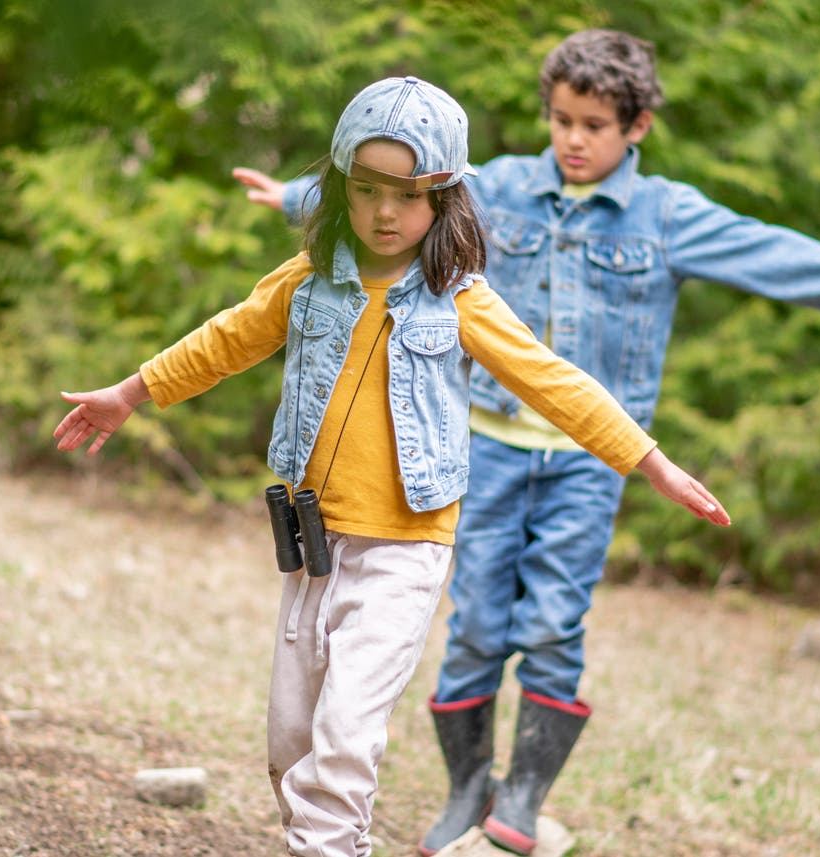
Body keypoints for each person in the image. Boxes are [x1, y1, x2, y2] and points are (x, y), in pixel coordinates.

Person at [233, 30, 820, 857]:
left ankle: (525, 791)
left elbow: (769, 250)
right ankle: (465, 789)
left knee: (551, 620)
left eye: (593, 125)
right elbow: (396, 185)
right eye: (561, 120)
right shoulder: (504, 187)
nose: (573, 139)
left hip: (587, 458)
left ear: (637, 127)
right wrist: (294, 197)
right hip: (486, 447)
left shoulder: (667, 216)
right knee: (475, 624)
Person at [54, 75, 730, 857]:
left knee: (345, 732)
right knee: (291, 742)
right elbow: (227, 338)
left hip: (405, 550)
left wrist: (649, 464)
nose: (384, 212)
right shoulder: (308, 280)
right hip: (312, 545)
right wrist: (130, 393)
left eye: (407, 195)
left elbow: (555, 382)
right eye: (367, 190)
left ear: (444, 199)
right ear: (340, 187)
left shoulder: (461, 300)